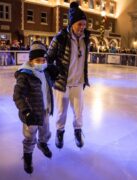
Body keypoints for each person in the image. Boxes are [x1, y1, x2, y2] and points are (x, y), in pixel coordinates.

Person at [47, 1, 90, 149]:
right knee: (61, 113)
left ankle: (78, 132)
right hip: (62, 83)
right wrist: (54, 74)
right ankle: (60, 133)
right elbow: (48, 58)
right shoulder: (60, 38)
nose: (82, 27)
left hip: (78, 83)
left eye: (84, 24)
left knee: (79, 113)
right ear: (72, 23)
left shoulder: (86, 39)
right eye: (79, 24)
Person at [13, 41, 54, 174]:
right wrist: (26, 112)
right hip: (31, 113)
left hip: (45, 110)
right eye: (38, 60)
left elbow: (48, 88)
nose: (41, 62)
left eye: (43, 59)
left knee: (45, 131)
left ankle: (42, 143)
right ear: (30, 61)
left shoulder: (45, 70)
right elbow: (17, 95)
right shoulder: (25, 75)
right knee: (30, 137)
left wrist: (55, 74)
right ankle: (27, 156)